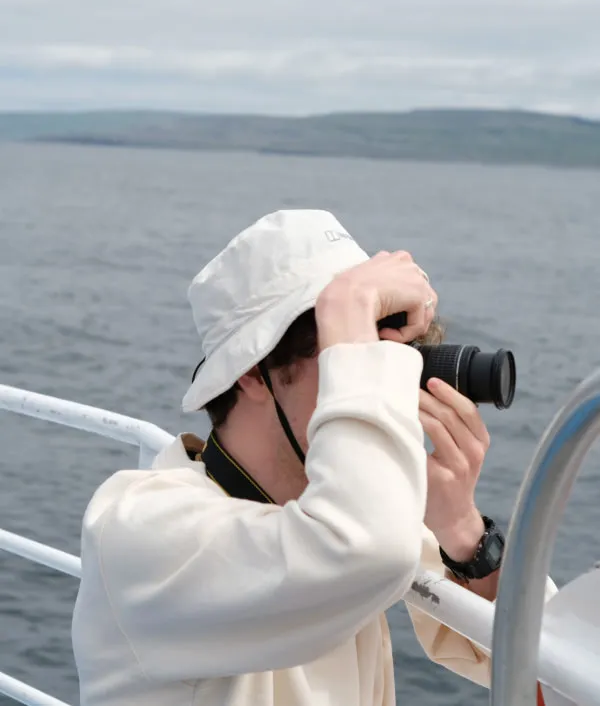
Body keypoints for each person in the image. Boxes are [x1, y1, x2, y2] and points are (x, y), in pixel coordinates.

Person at [72, 208, 517, 705]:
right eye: (349, 349)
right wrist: (353, 304)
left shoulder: (352, 509)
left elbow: (553, 673)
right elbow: (364, 549)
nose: (380, 378)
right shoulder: (143, 530)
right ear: (253, 373)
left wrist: (462, 531)